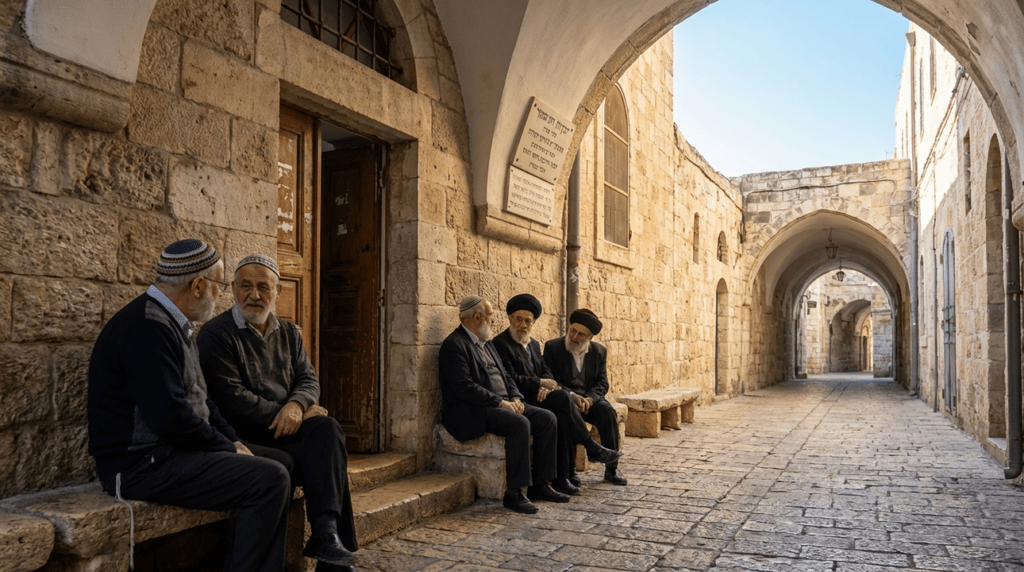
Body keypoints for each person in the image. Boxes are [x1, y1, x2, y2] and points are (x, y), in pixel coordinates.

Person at [88, 239, 293, 572]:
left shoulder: (174, 324)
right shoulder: (147, 328)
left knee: (283, 461)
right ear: (198, 286)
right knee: (268, 479)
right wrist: (225, 446)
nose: (221, 295)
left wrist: (234, 442)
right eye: (218, 286)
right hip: (140, 465)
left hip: (172, 452)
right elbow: (170, 418)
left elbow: (203, 400)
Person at [197, 254, 358, 571]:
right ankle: (335, 559)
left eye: (262, 287)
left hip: (288, 427)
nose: (253, 295)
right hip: (246, 434)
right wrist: (286, 413)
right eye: (245, 286)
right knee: (316, 455)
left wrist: (297, 407)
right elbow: (232, 399)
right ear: (232, 288)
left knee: (327, 431)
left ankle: (326, 538)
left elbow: (307, 379)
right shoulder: (216, 334)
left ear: (277, 292)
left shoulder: (289, 332)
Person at [438, 295, 568, 514]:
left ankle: (540, 485)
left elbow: (507, 377)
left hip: (503, 403)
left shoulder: (486, 343)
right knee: (519, 424)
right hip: (473, 411)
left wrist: (516, 398)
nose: (493, 321)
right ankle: (514, 493)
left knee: (547, 419)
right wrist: (500, 402)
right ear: (477, 317)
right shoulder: (454, 345)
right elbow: (465, 388)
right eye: (489, 316)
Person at [492, 294, 621, 494]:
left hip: (577, 399)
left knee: (606, 412)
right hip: (536, 397)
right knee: (561, 407)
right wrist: (544, 384)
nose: (523, 325)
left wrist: (552, 386)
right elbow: (511, 378)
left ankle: (603, 470)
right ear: (510, 318)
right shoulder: (503, 344)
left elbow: (545, 370)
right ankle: (582, 455)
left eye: (528, 321)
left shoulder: (533, 344)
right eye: (518, 319)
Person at [544, 308, 628, 485]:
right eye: (572, 331)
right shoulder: (553, 347)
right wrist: (573, 396)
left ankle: (611, 469)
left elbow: (602, 383)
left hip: (589, 402)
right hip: (567, 400)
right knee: (564, 417)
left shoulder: (599, 351)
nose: (574, 337)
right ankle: (570, 471)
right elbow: (550, 380)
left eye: (581, 334)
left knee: (608, 413)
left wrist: (590, 399)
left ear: (590, 338)